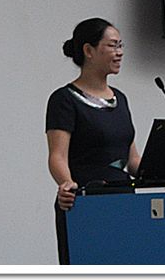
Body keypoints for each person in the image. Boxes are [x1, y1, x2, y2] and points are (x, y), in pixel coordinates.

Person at [45, 17, 141, 264]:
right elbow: (57, 155)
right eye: (112, 45)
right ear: (88, 50)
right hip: (85, 202)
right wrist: (67, 184)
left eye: (121, 45)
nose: (120, 52)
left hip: (124, 201)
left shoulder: (120, 99)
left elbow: (132, 159)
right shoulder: (64, 99)